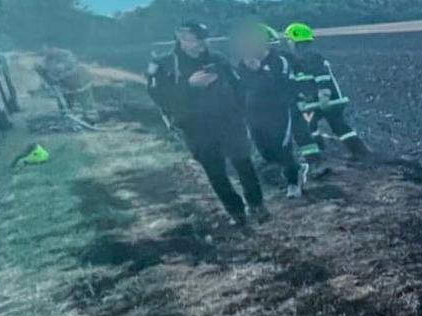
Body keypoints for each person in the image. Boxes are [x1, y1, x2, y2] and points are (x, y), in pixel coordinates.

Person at [146, 20, 266, 226]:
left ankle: (257, 205)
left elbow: (238, 85)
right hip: (195, 125)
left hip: (228, 120)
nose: (200, 45)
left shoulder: (217, 58)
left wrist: (245, 98)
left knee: (243, 162)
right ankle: (236, 212)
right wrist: (189, 85)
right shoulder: (165, 65)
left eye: (203, 39)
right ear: (181, 38)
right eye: (194, 40)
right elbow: (159, 96)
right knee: (215, 170)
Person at [231, 22, 309, 200]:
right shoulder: (242, 64)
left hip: (279, 111)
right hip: (253, 114)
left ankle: (293, 182)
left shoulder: (279, 60)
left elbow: (278, 86)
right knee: (265, 150)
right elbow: (240, 88)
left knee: (283, 147)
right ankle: (293, 169)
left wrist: (259, 70)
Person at [280, 22, 370, 159]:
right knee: (313, 125)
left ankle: (360, 153)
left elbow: (322, 77)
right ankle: (353, 153)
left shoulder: (311, 56)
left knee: (336, 125)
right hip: (313, 101)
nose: (288, 43)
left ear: (295, 40)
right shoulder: (298, 58)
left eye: (289, 40)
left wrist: (324, 95)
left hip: (329, 100)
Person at [35, 45, 97, 118]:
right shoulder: (47, 60)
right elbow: (47, 77)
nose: (45, 52)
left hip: (80, 83)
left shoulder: (66, 55)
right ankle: (68, 118)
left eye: (47, 49)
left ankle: (92, 119)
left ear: (53, 48)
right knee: (65, 106)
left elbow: (73, 69)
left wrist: (58, 76)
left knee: (87, 105)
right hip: (65, 88)